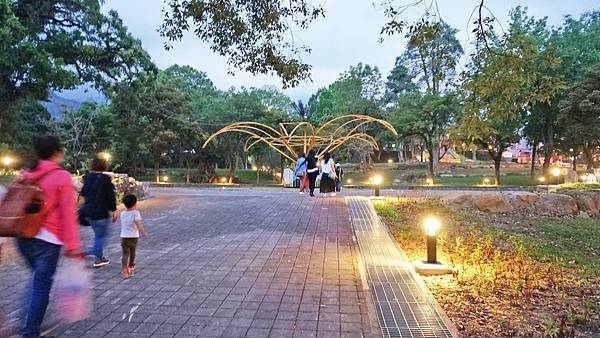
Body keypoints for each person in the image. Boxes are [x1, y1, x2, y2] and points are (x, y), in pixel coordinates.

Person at [17, 135, 82, 338]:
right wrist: (73, 245)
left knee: (37, 280)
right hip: (47, 240)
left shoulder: (26, 174)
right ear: (57, 152)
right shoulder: (61, 176)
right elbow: (68, 214)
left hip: (22, 235)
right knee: (41, 287)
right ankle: (30, 332)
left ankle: (25, 321)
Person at [80, 156, 116, 268]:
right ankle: (85, 254)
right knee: (101, 238)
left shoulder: (87, 177)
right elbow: (110, 196)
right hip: (100, 213)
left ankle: (99, 259)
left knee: (98, 236)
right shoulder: (105, 179)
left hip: (88, 212)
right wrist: (114, 210)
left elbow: (83, 193)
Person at [116, 194, 148, 279]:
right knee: (132, 252)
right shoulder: (136, 213)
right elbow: (138, 224)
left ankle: (125, 270)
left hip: (124, 237)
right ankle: (130, 267)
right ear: (135, 204)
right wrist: (143, 232)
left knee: (125, 254)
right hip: (133, 237)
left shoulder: (122, 213)